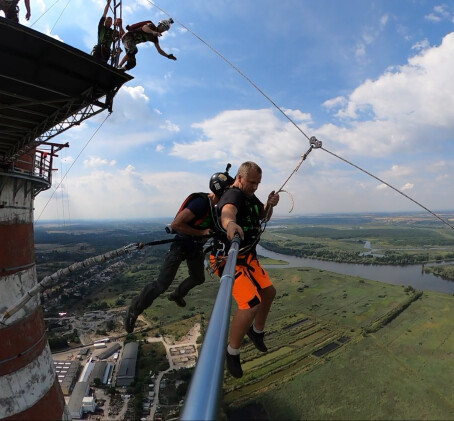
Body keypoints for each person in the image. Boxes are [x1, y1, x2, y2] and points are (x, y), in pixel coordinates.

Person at [124, 168, 234, 333]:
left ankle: (177, 294)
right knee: (161, 284)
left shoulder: (217, 208)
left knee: (198, 277)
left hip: (194, 246)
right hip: (181, 245)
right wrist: (202, 233)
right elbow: (176, 224)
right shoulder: (201, 203)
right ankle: (134, 310)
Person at [210, 161, 280, 378]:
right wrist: (230, 224)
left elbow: (262, 216)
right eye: (252, 182)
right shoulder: (235, 195)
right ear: (239, 178)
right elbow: (227, 212)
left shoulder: (249, 196)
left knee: (269, 292)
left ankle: (256, 332)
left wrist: (269, 205)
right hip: (228, 259)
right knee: (251, 304)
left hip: (247, 256)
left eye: (258, 183)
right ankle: (232, 351)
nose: (255, 187)